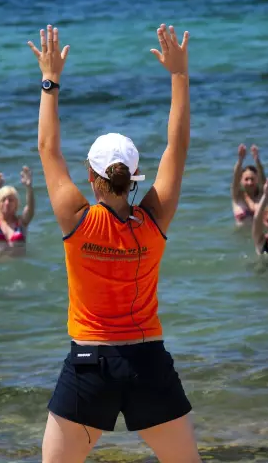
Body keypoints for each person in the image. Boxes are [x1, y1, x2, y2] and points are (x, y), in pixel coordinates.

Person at [27, 23, 200, 462]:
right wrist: (179, 74)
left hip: (90, 365)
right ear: (134, 177)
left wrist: (50, 79)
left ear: (91, 176)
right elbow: (177, 146)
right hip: (149, 366)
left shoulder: (78, 220)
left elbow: (48, 148)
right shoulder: (152, 220)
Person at [0, 166, 35, 258]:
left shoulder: (21, 222)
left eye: (11, 200)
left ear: (16, 204)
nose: (7, 203)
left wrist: (29, 187)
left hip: (19, 264)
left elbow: (30, 209)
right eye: (3, 200)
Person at [230, 144, 266, 227]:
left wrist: (257, 160)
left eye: (252, 179)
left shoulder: (262, 195)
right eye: (246, 179)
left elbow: (263, 179)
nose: (250, 182)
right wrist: (240, 160)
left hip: (261, 234)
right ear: (241, 181)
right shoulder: (237, 196)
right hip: (240, 235)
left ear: (257, 180)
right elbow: (235, 178)